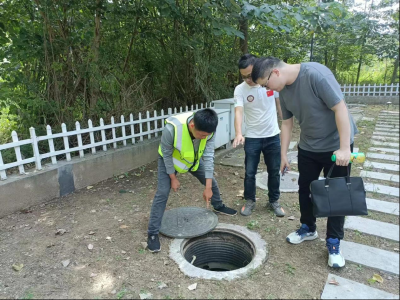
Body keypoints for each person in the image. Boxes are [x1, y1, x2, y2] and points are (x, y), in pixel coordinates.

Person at [251, 56, 358, 268]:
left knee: (336, 194)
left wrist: (345, 148)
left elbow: (340, 108)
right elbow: (287, 123)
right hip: (308, 147)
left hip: (336, 146)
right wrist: (283, 154)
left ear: (276, 73)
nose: (267, 89)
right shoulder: (283, 91)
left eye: (265, 84)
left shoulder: (316, 75)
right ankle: (308, 228)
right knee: (305, 189)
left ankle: (334, 242)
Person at [147, 108, 237, 253]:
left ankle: (218, 205)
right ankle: (152, 233)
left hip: (192, 161)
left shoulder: (209, 130)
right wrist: (173, 177)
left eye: (206, 136)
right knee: (163, 192)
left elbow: (208, 156)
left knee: (211, 182)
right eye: (201, 135)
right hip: (170, 161)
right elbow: (166, 154)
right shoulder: (172, 129)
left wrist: (207, 187)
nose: (204, 138)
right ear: (192, 126)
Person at [233, 54, 285, 217]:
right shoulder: (240, 89)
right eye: (244, 77)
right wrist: (239, 133)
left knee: (274, 171)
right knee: (250, 172)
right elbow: (238, 111)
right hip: (253, 138)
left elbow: (279, 105)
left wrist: (286, 124)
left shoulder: (269, 84)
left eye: (250, 75)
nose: (248, 79)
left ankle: (273, 201)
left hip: (272, 136)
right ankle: (250, 200)